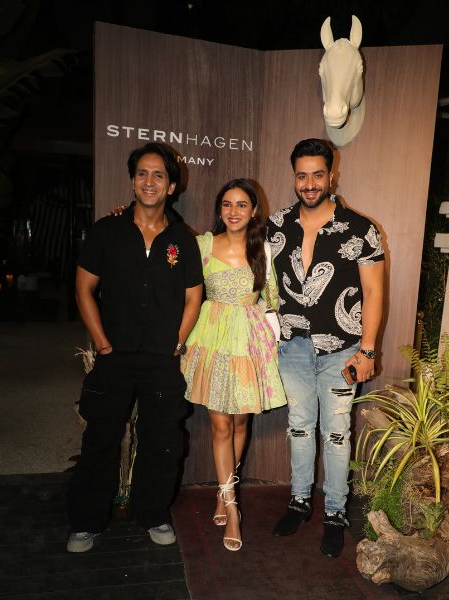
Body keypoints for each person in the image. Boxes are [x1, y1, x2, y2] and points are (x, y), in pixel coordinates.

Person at [66, 142, 203, 553]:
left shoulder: (183, 240)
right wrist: (102, 343)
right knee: (101, 438)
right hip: (115, 356)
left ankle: (154, 514)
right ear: (132, 181)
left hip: (162, 358)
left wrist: (177, 342)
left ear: (172, 186)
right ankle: (86, 521)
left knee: (162, 440)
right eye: (142, 173)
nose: (149, 181)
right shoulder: (106, 231)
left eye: (158, 175)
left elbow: (194, 297)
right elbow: (83, 289)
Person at [268, 138, 385, 558]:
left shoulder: (360, 229)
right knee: (299, 427)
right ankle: (300, 501)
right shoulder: (276, 225)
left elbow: (374, 293)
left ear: (332, 175)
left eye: (318, 175)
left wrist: (367, 351)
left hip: (342, 350)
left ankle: (335, 513)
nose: (310, 184)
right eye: (302, 176)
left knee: (336, 434)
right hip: (293, 348)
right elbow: (233, 250)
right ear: (294, 177)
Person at [180, 178, 287, 551]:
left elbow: (272, 298)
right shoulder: (202, 245)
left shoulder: (264, 251)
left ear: (254, 211)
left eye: (242, 205)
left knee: (241, 423)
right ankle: (232, 507)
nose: (234, 211)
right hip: (211, 341)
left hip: (247, 343)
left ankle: (223, 490)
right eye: (227, 204)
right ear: (219, 209)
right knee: (220, 425)